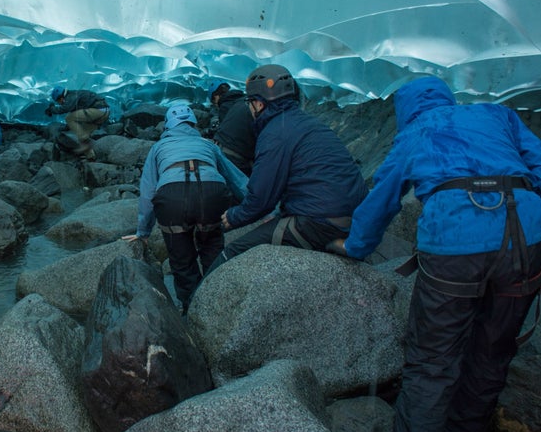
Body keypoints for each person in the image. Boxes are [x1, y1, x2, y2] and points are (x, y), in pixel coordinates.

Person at [326, 75, 541, 432]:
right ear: (447, 97)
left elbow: (382, 198)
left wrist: (355, 247)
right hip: (527, 237)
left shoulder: (414, 133)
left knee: (430, 365)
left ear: (405, 110)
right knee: (494, 349)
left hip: (456, 242)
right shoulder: (498, 115)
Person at [206, 64, 369, 273]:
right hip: (354, 217)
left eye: (250, 102)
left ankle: (194, 304)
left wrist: (233, 217)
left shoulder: (274, 133)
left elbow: (261, 199)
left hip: (320, 221)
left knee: (233, 253)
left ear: (259, 103)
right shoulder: (310, 123)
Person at [123, 104, 248, 314]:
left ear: (168, 126)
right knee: (212, 248)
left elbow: (148, 192)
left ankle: (192, 309)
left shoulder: (158, 148)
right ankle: (217, 303)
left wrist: (143, 232)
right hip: (212, 195)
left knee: (181, 258)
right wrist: (263, 210)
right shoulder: (207, 145)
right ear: (193, 123)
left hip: (172, 198)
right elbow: (238, 180)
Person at [206, 79, 256, 176]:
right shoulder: (242, 100)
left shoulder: (225, 106)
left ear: (216, 97)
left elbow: (228, 132)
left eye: (213, 101)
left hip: (236, 157)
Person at [45, 86, 110, 159]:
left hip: (98, 110)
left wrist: (52, 109)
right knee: (81, 131)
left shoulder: (71, 96)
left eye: (58, 101)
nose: (60, 103)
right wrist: (67, 127)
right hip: (102, 113)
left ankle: (85, 141)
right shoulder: (74, 96)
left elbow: (66, 108)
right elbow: (76, 114)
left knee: (69, 118)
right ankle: (91, 157)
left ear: (61, 97)